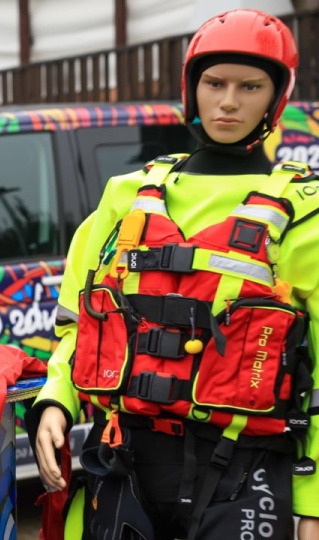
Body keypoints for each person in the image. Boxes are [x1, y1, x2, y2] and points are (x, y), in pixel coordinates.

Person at [29, 9, 319, 540]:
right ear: (192, 87)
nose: (229, 101)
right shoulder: (125, 197)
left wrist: (312, 503)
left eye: (250, 86)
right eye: (214, 83)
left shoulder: (305, 212)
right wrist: (56, 400)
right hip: (123, 467)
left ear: (275, 99)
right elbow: (81, 324)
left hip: (247, 475)